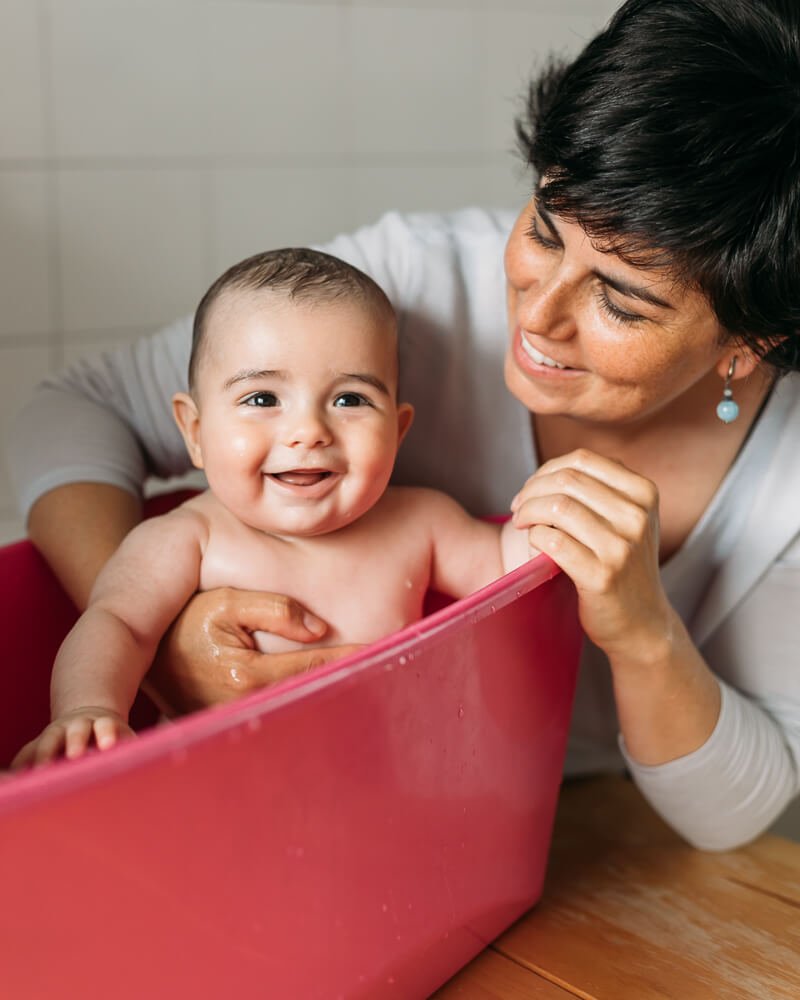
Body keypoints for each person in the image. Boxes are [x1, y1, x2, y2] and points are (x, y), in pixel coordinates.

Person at [8, 0, 800, 847]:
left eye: (621, 299)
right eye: (542, 227)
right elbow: (72, 409)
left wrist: (642, 630)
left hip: (540, 838)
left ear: (752, 340)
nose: (539, 315)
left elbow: (736, 815)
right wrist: (157, 643)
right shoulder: (398, 292)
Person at [12, 248, 531, 766]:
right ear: (195, 432)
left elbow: (512, 566)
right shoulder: (190, 539)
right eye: (263, 398)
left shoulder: (424, 524)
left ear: (397, 433)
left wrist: (550, 518)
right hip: (227, 798)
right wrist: (88, 708)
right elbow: (117, 623)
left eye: (349, 399)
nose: (308, 432)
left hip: (385, 786)